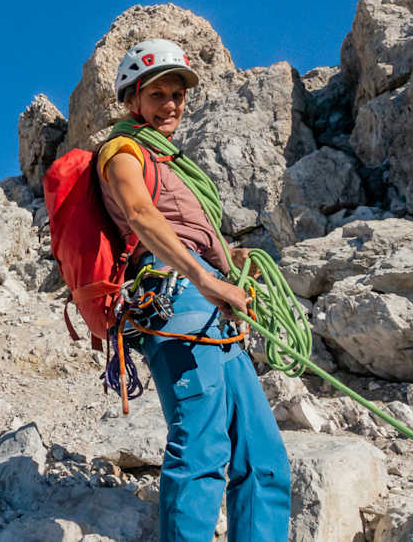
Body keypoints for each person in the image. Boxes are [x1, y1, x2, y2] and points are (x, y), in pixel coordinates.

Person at [97, 39, 290, 542]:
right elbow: (141, 215)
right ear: (132, 99)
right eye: (157, 94)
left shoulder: (169, 162)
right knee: (202, 448)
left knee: (263, 457)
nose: (171, 105)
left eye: (177, 95)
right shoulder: (122, 151)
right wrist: (205, 278)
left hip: (210, 305)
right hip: (176, 299)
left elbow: (185, 231)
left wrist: (228, 262)